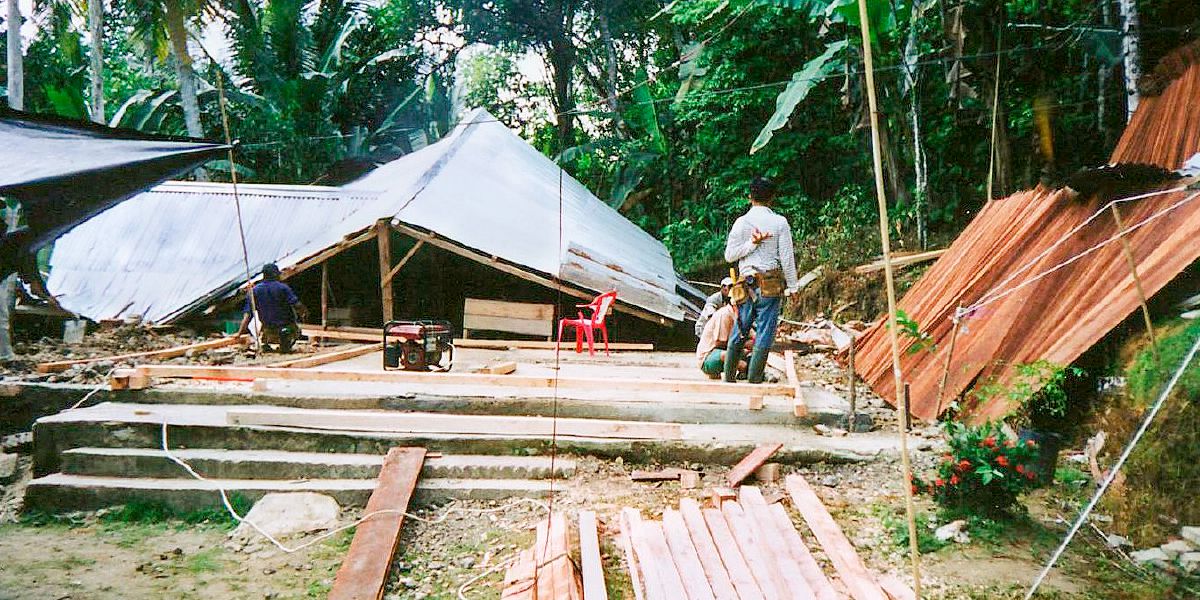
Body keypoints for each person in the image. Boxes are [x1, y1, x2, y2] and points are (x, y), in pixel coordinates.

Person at [722, 176, 799, 384]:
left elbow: (730, 256)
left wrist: (750, 245)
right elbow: (787, 257)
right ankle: (755, 378)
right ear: (772, 198)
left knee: (740, 328)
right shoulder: (779, 223)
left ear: (750, 197)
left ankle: (728, 378)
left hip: (745, 285)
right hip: (770, 285)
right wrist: (793, 286)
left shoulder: (741, 223)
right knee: (765, 332)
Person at [235, 263, 307, 353]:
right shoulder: (283, 288)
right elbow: (297, 305)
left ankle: (268, 343)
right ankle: (285, 341)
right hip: (286, 327)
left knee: (269, 336)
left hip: (268, 329)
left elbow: (248, 316)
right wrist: (304, 314)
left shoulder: (254, 291)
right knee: (293, 331)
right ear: (275, 274)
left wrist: (239, 333)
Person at [696, 302, 741, 378]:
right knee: (729, 355)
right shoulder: (724, 314)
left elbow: (752, 336)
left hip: (725, 350)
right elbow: (720, 342)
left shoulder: (739, 316)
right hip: (708, 357)